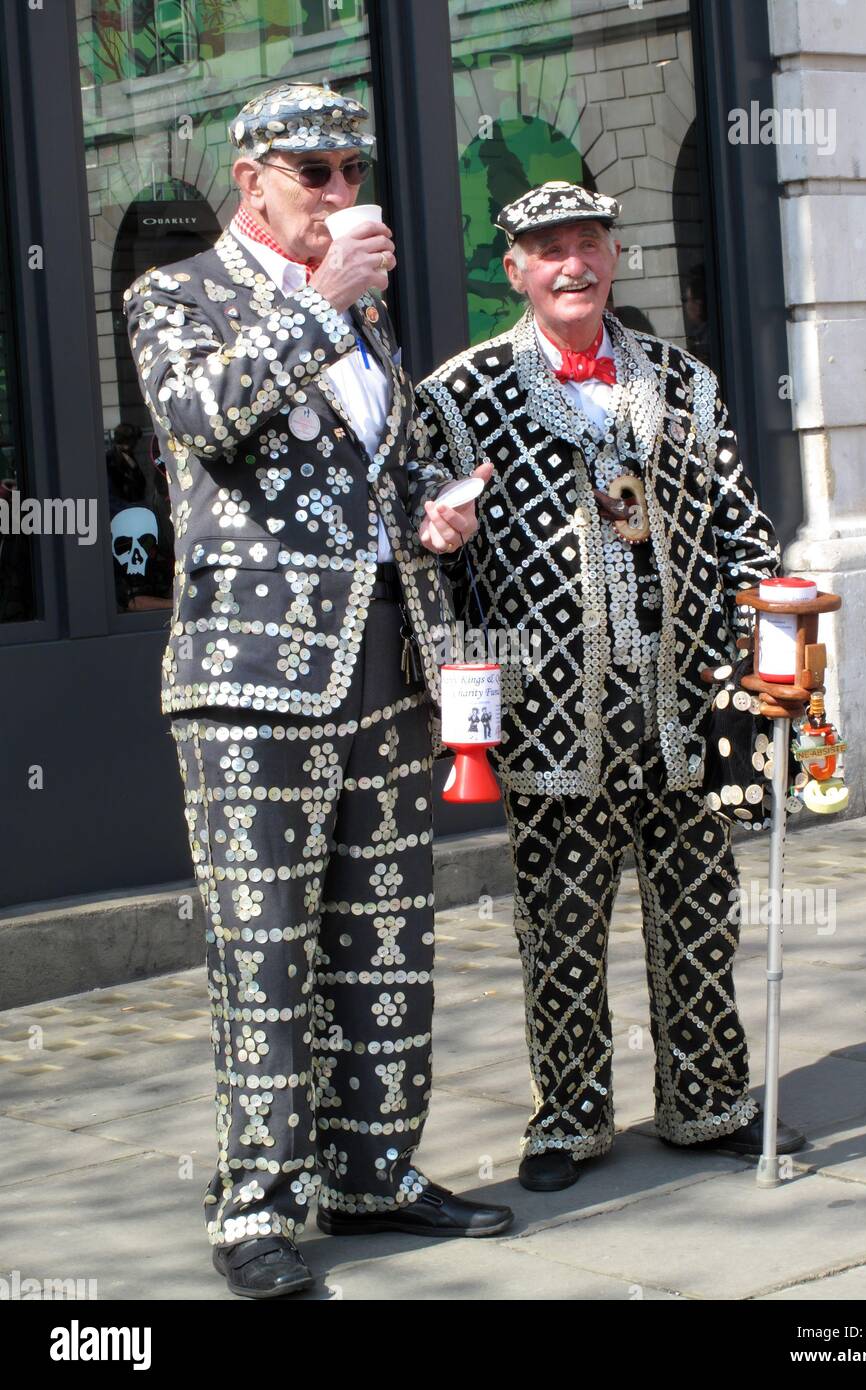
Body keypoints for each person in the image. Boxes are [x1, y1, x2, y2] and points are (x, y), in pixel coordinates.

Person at [124, 79, 505, 1300]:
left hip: (387, 669)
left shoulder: (370, 317)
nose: (343, 193)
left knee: (387, 940)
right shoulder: (174, 296)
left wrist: (433, 523)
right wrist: (319, 303)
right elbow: (204, 419)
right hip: (250, 685)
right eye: (317, 174)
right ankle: (257, 1203)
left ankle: (373, 1167)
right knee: (267, 950)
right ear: (253, 182)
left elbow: (365, 479)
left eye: (353, 171)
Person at [408, 181, 806, 1194]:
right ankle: (571, 1117)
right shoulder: (461, 395)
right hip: (551, 709)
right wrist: (465, 712)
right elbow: (434, 568)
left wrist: (773, 668)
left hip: (689, 699)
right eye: (548, 250)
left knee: (699, 907)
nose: (571, 264)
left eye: (587, 244)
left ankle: (709, 1097)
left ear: (615, 256)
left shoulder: (683, 380)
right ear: (515, 270)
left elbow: (741, 529)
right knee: (560, 922)